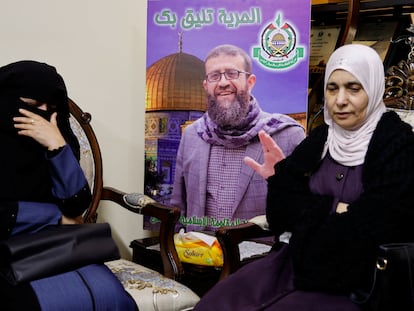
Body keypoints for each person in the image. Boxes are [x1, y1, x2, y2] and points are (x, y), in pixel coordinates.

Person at [193, 44, 414, 310]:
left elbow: (377, 227)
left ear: (374, 87)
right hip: (292, 261)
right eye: (332, 88)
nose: (340, 100)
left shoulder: (399, 144)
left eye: (354, 88)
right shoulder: (321, 139)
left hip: (361, 281)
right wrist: (336, 208)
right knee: (216, 302)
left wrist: (308, 212)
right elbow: (279, 212)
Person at [0, 60, 137, 310]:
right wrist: (55, 218)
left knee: (111, 295)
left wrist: (57, 147)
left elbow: (75, 203)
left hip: (58, 245)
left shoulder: (56, 135)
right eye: (32, 106)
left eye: (51, 108)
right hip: (7, 249)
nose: (41, 117)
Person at [170, 44, 305, 232]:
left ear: (250, 82)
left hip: (261, 257)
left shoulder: (286, 135)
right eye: (214, 76)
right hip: (197, 256)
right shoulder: (193, 135)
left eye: (232, 73)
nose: (223, 82)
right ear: (206, 85)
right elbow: (178, 207)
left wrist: (281, 184)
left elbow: (304, 212)